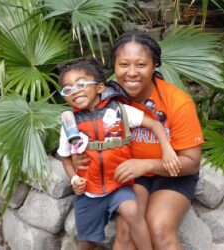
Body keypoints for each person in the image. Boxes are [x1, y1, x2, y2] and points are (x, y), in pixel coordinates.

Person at [72, 31, 204, 250]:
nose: (131, 73)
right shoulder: (102, 98)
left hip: (173, 173)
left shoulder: (177, 102)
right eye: (124, 64)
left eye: (141, 65)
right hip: (131, 174)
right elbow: (81, 135)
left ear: (154, 66)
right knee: (126, 229)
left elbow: (192, 162)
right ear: (114, 65)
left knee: (159, 227)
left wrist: (147, 164)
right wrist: (79, 157)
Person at [56, 58, 181, 250]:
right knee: (85, 242)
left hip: (119, 184)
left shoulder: (120, 111)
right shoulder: (70, 123)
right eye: (68, 89)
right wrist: (74, 179)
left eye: (81, 84)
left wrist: (166, 149)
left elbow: (155, 124)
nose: (75, 90)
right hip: (89, 191)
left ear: (99, 88)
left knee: (133, 213)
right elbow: (65, 157)